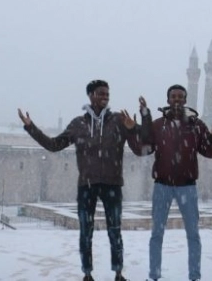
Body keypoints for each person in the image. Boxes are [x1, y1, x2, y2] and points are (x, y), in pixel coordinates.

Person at [18, 80, 139, 281]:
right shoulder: (78, 125)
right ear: (90, 95)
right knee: (86, 231)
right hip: (87, 185)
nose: (105, 97)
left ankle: (118, 273)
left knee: (115, 230)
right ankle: (87, 274)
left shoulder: (118, 120)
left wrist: (135, 126)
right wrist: (31, 128)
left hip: (112, 183)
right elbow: (53, 145)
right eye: (101, 93)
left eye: (107, 93)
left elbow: (142, 139)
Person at [135, 85, 212, 281]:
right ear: (168, 99)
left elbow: (209, 151)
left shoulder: (195, 125)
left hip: (187, 187)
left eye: (180, 97)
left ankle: (194, 276)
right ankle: (154, 275)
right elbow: (145, 146)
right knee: (157, 234)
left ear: (185, 100)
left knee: (193, 235)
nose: (176, 100)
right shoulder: (158, 125)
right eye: (173, 96)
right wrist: (141, 120)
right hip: (162, 185)